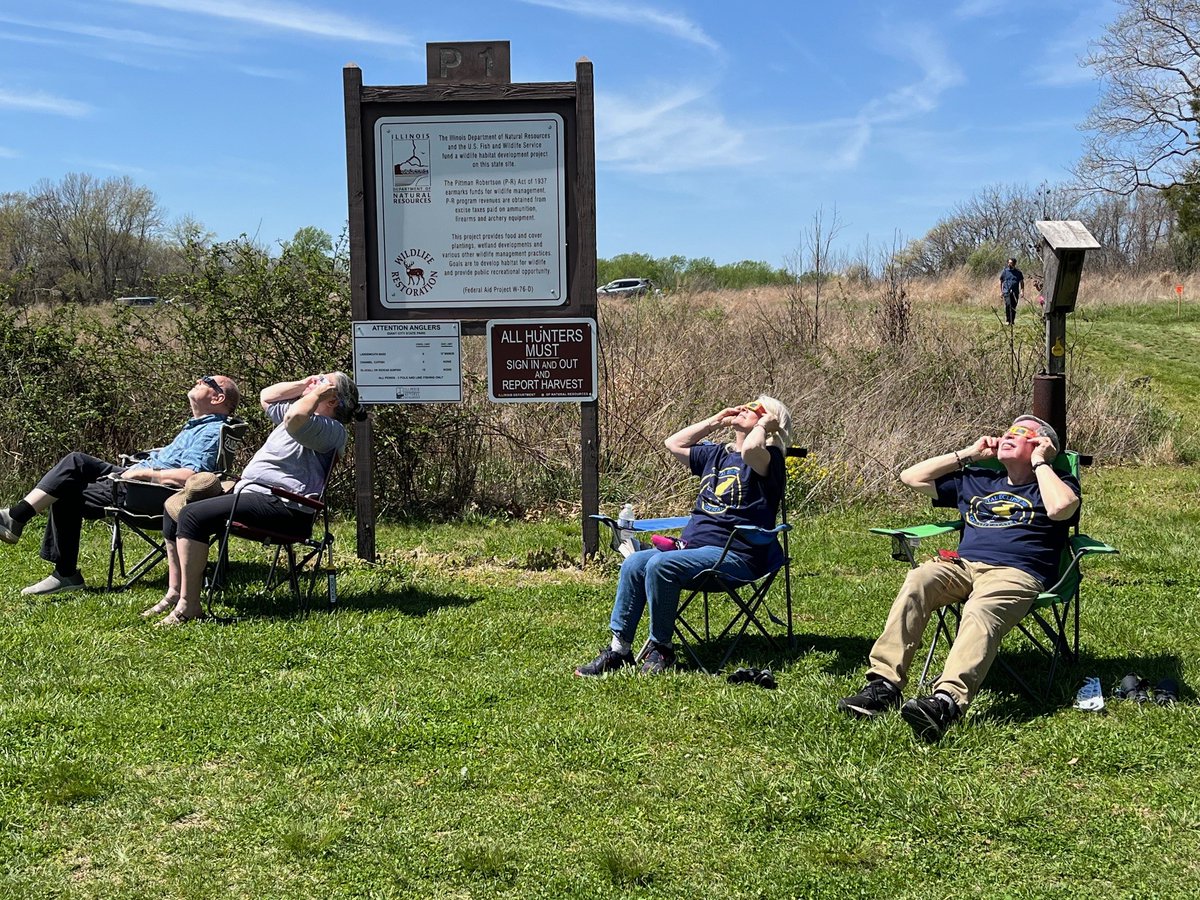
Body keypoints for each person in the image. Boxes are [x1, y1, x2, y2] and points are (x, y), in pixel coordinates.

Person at [838, 415, 1080, 741]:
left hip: (1016, 574)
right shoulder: (977, 478)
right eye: (1006, 431)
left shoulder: (1056, 480)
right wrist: (967, 454)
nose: (1007, 436)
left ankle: (945, 703)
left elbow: (1062, 509)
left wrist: (1040, 462)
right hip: (964, 566)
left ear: (1040, 445)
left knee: (981, 610)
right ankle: (884, 686)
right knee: (918, 580)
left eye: (1020, 433)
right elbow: (909, 477)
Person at [575, 396, 793, 676]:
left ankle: (661, 649)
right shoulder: (716, 454)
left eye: (755, 409)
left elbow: (751, 448)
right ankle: (620, 650)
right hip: (692, 550)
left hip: (737, 556)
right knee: (634, 563)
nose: (744, 409)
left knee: (661, 565)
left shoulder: (769, 460)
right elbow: (673, 443)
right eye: (745, 404)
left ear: (769, 421)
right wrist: (715, 420)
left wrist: (765, 425)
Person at [144, 372, 361, 626]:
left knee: (192, 515)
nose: (314, 381)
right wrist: (305, 384)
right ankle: (175, 592)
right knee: (176, 506)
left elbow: (294, 418)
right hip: (257, 496)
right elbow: (266, 397)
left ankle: (189, 606)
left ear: (332, 400)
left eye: (322, 380)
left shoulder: (330, 430)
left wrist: (315, 393)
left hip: (285, 508)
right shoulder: (305, 414)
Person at [0, 375, 240, 595]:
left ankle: (58, 566)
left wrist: (144, 473)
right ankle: (20, 521)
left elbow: (192, 476)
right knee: (76, 463)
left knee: (66, 489)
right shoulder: (198, 426)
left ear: (218, 397)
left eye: (207, 381)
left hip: (147, 493)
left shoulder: (210, 431)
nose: (199, 380)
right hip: (137, 480)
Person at [999, 258, 1024, 325]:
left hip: (1015, 292)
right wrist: (1001, 291)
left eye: (1011, 263)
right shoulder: (1005, 271)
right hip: (1006, 291)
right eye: (1009, 263)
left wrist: (1022, 291)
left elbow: (1021, 282)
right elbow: (1001, 281)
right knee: (1008, 305)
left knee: (1013, 306)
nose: (1009, 264)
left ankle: (1012, 321)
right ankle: (1008, 320)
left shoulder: (1018, 273)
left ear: (1014, 264)